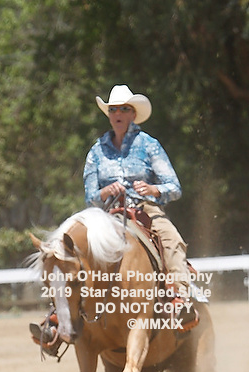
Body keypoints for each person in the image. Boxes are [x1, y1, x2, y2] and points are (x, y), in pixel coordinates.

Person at [30, 84, 195, 346]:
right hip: (106, 215)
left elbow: (174, 187)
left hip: (145, 210)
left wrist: (153, 189)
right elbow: (90, 196)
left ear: (133, 114)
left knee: (171, 240)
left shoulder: (149, 145)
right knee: (68, 249)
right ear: (109, 115)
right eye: (113, 109)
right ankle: (58, 317)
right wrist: (105, 191)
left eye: (124, 109)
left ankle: (179, 300)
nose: (118, 113)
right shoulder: (97, 150)